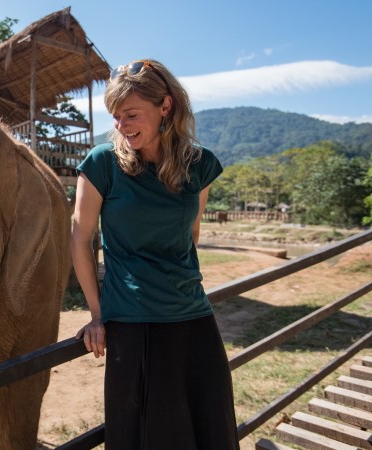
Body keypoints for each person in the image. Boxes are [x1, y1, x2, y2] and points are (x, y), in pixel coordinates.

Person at [72, 59, 240, 449]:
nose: (122, 125)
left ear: (165, 106)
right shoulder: (103, 164)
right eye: (116, 117)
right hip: (133, 322)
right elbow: (81, 239)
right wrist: (97, 315)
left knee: (209, 432)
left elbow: (190, 234)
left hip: (194, 319)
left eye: (131, 114)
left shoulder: (199, 165)